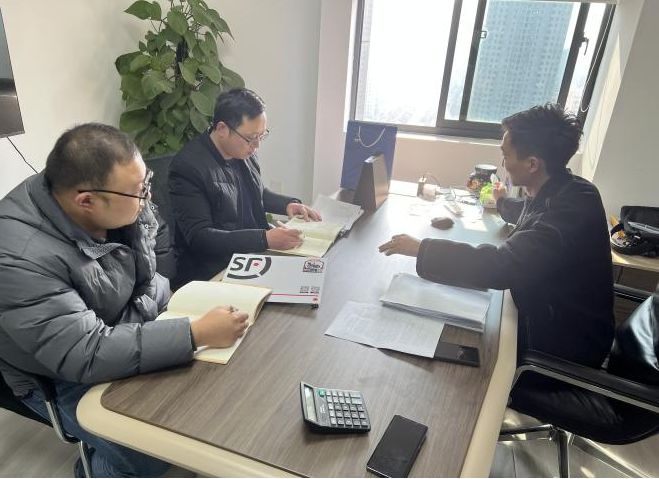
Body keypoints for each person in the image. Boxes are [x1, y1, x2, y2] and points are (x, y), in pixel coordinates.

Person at [0, 124, 250, 478]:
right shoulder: (18, 256)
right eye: (139, 192)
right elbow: (83, 353)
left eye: (146, 183)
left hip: (119, 327)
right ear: (86, 201)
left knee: (202, 401)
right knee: (149, 455)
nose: (148, 197)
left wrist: (171, 304)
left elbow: (156, 257)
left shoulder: (122, 198)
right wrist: (193, 333)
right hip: (55, 373)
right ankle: (92, 469)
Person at [379, 104, 615, 369]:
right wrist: (502, 203)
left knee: (447, 354)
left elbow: (502, 265)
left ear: (532, 164)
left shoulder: (572, 208)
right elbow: (532, 212)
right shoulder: (568, 189)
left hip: (563, 342)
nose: (503, 163)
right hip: (546, 312)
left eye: (506, 154)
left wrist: (421, 248)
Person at [169, 88, 321, 289]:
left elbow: (257, 193)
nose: (256, 145)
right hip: (211, 271)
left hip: (251, 257)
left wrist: (288, 205)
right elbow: (200, 237)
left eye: (261, 136)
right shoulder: (188, 166)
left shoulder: (243, 151)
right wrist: (264, 239)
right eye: (251, 138)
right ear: (222, 129)